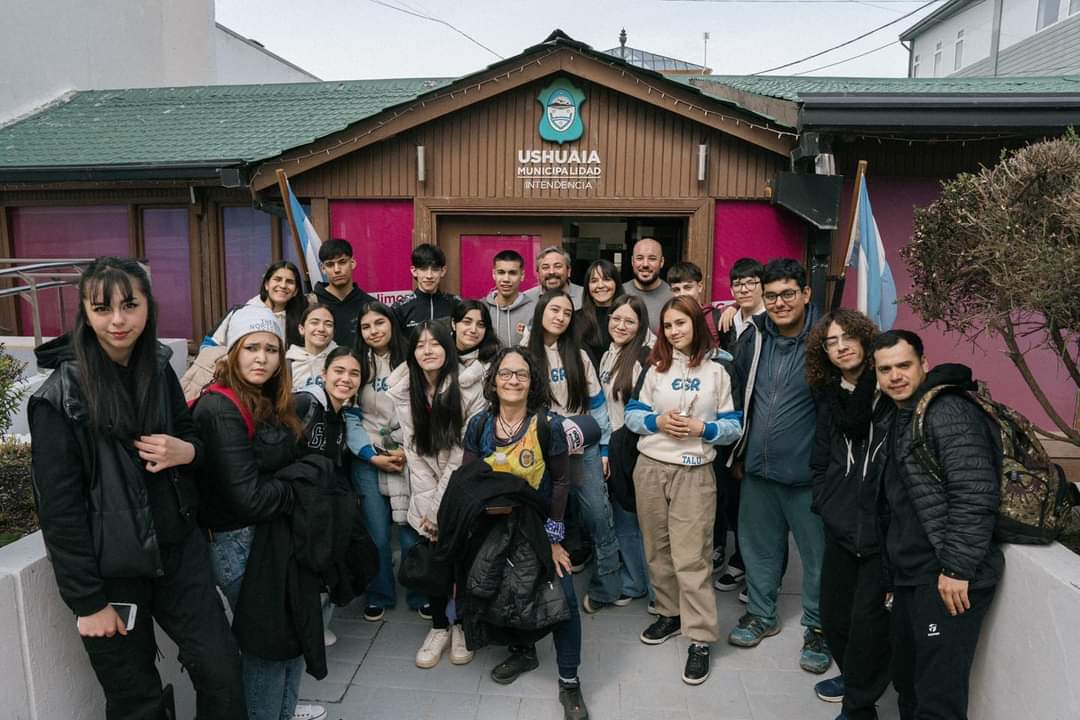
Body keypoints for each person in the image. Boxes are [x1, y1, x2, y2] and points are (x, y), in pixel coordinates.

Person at [29, 256, 246, 720]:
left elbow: (192, 439)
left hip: (179, 555)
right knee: (136, 702)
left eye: (129, 304)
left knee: (222, 670)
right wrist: (88, 602)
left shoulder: (159, 368)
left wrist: (186, 451)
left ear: (148, 306)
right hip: (112, 572)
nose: (118, 320)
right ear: (85, 313)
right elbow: (59, 510)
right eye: (102, 308)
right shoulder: (58, 396)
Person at [192, 304, 325, 720]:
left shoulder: (269, 399)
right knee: (267, 642)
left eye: (271, 349)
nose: (261, 358)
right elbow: (247, 497)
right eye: (251, 348)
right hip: (239, 543)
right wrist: (301, 487)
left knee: (289, 634)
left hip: (271, 536)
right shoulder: (219, 408)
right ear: (233, 352)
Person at [872, 330, 1003, 720]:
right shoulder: (901, 413)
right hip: (912, 576)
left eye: (904, 366)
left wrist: (957, 568)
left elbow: (975, 492)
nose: (895, 376)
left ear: (923, 365)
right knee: (909, 683)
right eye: (885, 369)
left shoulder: (946, 411)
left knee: (938, 698)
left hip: (947, 580)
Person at [464, 347, 588, 720]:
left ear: (532, 382)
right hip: (496, 528)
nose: (512, 380)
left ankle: (569, 682)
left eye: (521, 374)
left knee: (561, 598)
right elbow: (467, 481)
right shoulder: (480, 425)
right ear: (494, 380)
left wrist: (553, 537)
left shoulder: (548, 425)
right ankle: (524, 652)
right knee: (505, 592)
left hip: (540, 526)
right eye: (505, 373)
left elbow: (563, 481)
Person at [624, 296, 743, 686]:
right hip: (651, 468)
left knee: (692, 558)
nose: (674, 331)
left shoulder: (719, 370)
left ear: (696, 323)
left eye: (681, 323)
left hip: (694, 472)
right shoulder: (654, 368)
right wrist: (656, 421)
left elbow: (734, 427)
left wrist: (703, 430)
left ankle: (701, 638)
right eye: (668, 325)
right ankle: (669, 614)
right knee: (657, 549)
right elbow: (632, 415)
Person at [726, 258, 832, 677]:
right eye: (771, 296)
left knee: (818, 557)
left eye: (789, 293)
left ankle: (819, 627)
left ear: (806, 294)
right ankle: (761, 614)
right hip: (756, 471)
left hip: (809, 475)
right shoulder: (753, 340)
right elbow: (736, 396)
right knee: (758, 551)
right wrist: (737, 453)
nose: (780, 302)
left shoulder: (826, 342)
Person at [807, 309, 893, 720]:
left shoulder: (890, 392)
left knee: (868, 624)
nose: (840, 347)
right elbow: (820, 459)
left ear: (864, 339)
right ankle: (852, 678)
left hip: (881, 531)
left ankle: (859, 704)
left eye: (847, 338)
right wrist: (825, 500)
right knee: (835, 618)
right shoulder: (830, 396)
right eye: (831, 342)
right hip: (841, 524)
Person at [388, 321, 486, 669]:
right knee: (433, 556)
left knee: (460, 557)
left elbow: (460, 455)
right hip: (424, 485)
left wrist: (439, 508)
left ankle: (460, 624)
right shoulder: (405, 391)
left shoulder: (470, 389)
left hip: (461, 485)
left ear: (448, 348)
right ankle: (439, 627)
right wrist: (428, 509)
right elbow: (412, 449)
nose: (427, 351)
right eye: (419, 345)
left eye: (435, 344)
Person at [525, 291, 621, 613]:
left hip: (582, 446)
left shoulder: (578, 355)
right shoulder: (523, 355)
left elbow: (597, 407)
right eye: (555, 310)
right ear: (541, 311)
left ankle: (607, 586)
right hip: (538, 449)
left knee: (596, 511)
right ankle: (537, 586)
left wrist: (605, 447)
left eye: (567, 313)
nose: (561, 317)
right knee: (543, 514)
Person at [667, 260, 744, 589]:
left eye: (688, 287)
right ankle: (711, 547)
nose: (683, 293)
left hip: (718, 420)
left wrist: (736, 304)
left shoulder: (722, 319)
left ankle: (735, 555)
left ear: (701, 286)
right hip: (684, 430)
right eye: (676, 289)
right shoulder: (670, 324)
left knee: (727, 494)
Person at [345, 302, 421, 622]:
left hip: (408, 454)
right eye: (366, 326)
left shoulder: (412, 360)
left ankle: (420, 591)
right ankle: (379, 592)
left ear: (391, 323)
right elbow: (349, 417)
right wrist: (370, 455)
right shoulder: (355, 364)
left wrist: (408, 449)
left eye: (380, 323)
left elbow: (423, 409)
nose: (374, 330)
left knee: (410, 529)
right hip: (368, 456)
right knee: (376, 532)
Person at [293, 346, 363, 652]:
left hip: (321, 506)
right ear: (323, 374)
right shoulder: (305, 403)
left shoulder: (340, 415)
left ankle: (315, 627)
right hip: (296, 504)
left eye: (354, 373)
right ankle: (304, 632)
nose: (346, 379)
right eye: (339, 371)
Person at [597, 294, 654, 608]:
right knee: (622, 519)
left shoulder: (644, 358)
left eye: (629, 321)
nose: (620, 325)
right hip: (611, 447)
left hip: (630, 449)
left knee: (631, 520)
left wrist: (616, 450)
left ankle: (637, 584)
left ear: (640, 325)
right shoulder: (610, 353)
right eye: (616, 318)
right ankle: (634, 578)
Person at [310, 238, 376, 349]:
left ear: (353, 263)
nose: (337, 269)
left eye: (342, 262)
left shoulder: (370, 304)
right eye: (330, 264)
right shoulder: (309, 303)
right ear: (323, 268)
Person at [393, 243, 459, 333]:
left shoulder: (456, 304)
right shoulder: (400, 308)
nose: (429, 276)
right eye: (423, 269)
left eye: (435, 269)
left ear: (443, 271)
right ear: (414, 271)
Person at [577, 258, 625, 367]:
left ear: (616, 283)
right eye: (594, 281)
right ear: (587, 286)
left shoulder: (629, 317)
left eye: (606, 279)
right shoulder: (576, 319)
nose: (600, 285)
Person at [483, 249, 536, 347]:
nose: (506, 279)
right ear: (494, 274)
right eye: (501, 272)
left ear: (522, 275)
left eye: (512, 273)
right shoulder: (482, 307)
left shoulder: (534, 310)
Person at [622, 238, 673, 332]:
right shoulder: (619, 292)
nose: (645, 264)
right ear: (632, 261)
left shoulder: (673, 295)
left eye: (652, 258)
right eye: (639, 258)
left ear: (661, 262)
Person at [715, 257, 766, 352]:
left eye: (751, 283)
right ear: (731, 291)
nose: (744, 290)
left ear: (763, 286)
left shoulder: (771, 322)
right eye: (737, 284)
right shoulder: (726, 322)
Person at [287, 303, 338, 390]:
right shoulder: (288, 363)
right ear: (301, 329)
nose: (321, 329)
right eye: (314, 323)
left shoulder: (342, 359)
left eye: (328, 324)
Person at [453, 298, 500, 370]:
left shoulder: (495, 361)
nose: (473, 330)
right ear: (453, 324)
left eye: (480, 325)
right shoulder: (440, 352)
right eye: (467, 322)